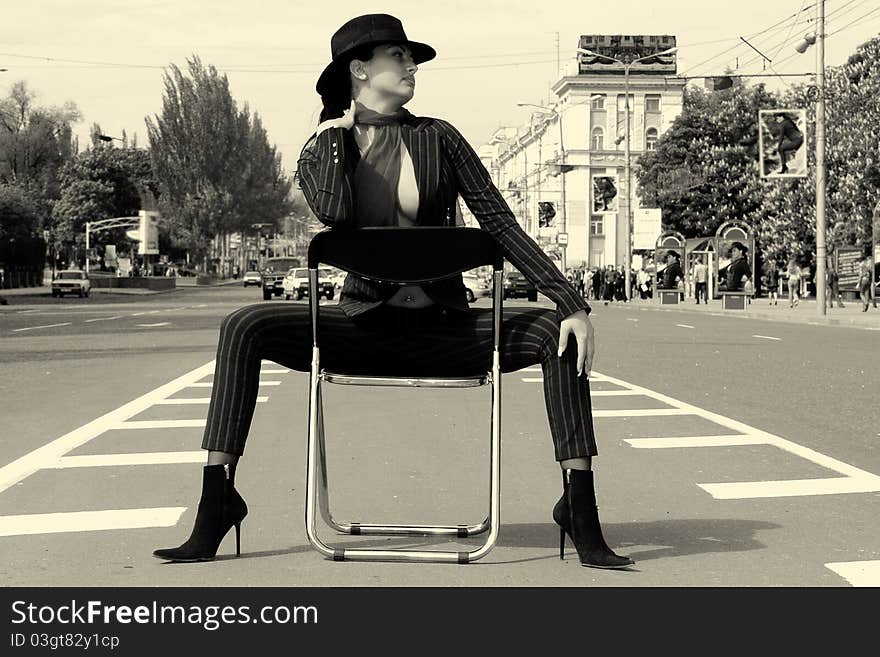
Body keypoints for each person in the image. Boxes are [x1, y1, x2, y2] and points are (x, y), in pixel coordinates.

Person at [152, 14, 633, 570]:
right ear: (359, 69)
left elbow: (499, 224)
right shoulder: (320, 150)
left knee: (558, 333)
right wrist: (336, 137)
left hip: (445, 328)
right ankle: (217, 500)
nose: (412, 67)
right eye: (399, 56)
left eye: (412, 59)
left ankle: (579, 505)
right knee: (243, 323)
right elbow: (333, 213)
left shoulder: (438, 137)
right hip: (360, 329)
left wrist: (570, 302)